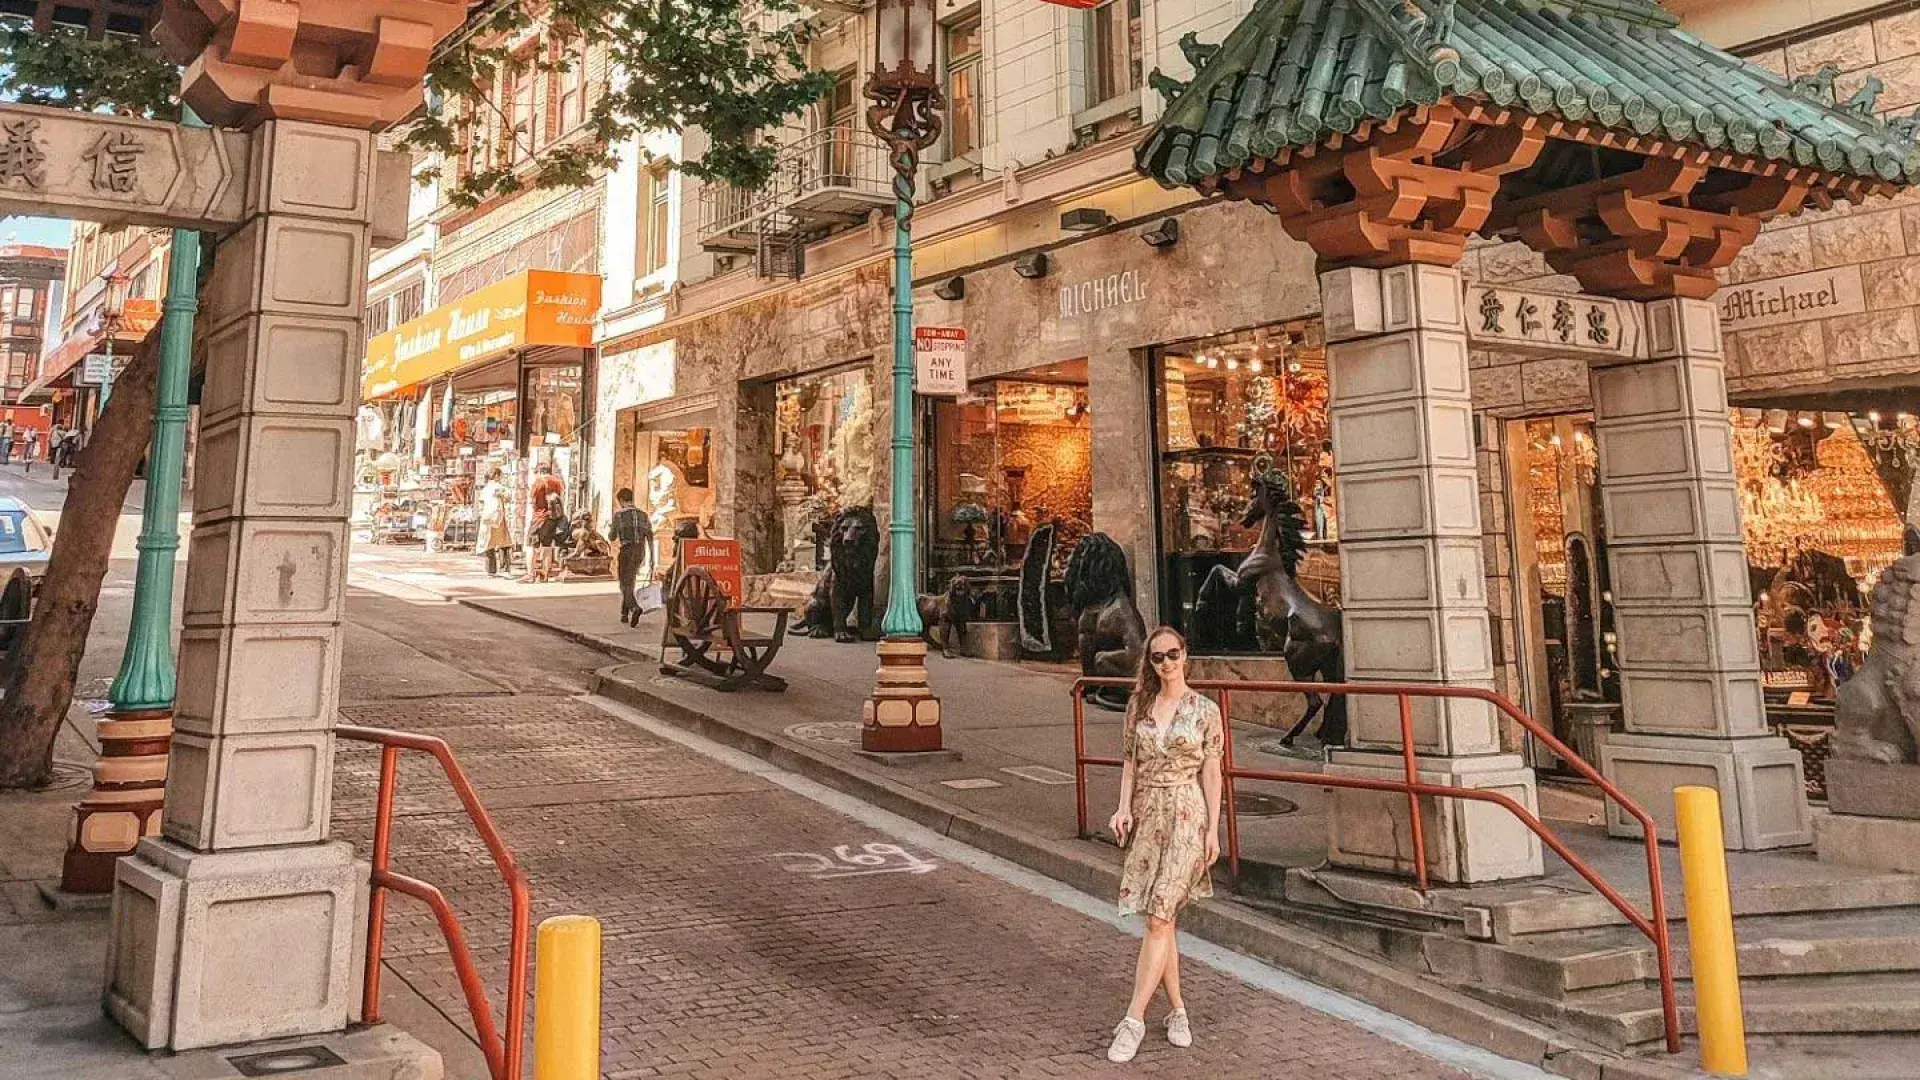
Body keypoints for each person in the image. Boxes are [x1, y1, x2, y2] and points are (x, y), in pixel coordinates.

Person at [1105, 627, 1223, 1064]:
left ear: (1185, 655)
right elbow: (1129, 763)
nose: (1167, 663)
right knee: (1163, 920)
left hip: (1188, 816)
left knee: (1158, 916)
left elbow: (1212, 773)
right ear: (1150, 663)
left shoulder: (1205, 710)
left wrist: (1214, 829)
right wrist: (1122, 809)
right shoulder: (1139, 706)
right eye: (1158, 658)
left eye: (1173, 654)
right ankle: (1178, 1011)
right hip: (1150, 814)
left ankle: (1133, 1019)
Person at [609, 487, 654, 626]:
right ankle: (624, 613)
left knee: (624, 584)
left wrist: (612, 528)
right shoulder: (643, 515)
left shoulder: (619, 515)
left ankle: (634, 607)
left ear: (621, 500)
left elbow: (612, 536)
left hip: (626, 550)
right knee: (630, 580)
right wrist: (652, 558)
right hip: (640, 550)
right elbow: (650, 537)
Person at [521, 462, 565, 583]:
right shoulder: (556, 482)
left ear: (539, 471)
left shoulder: (538, 482)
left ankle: (530, 574)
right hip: (552, 518)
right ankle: (545, 574)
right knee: (547, 545)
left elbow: (533, 501)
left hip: (539, 518)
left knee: (531, 545)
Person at [477, 467, 515, 577]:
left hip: (487, 519)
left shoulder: (485, 489)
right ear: (497, 476)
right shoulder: (499, 487)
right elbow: (508, 497)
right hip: (499, 518)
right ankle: (505, 570)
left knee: (489, 543)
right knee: (504, 543)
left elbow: (481, 504)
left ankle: (491, 570)